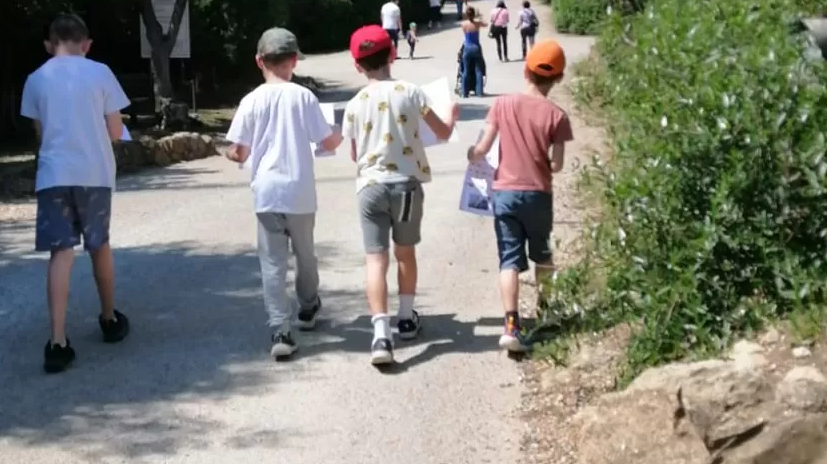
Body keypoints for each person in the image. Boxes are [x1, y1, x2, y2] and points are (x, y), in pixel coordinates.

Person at [20, 12, 132, 374]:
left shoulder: (36, 78)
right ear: (87, 44)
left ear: (49, 45)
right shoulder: (100, 72)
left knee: (61, 253)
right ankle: (109, 317)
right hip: (94, 174)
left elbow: (39, 134)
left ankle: (57, 341)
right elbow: (116, 132)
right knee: (99, 245)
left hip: (53, 175)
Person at [342, 26, 457, 368]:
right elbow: (442, 131)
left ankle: (381, 334)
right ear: (392, 54)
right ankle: (406, 318)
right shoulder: (413, 92)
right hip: (406, 186)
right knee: (404, 254)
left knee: (375, 260)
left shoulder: (354, 103)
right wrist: (452, 117)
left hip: (370, 188)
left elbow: (353, 153)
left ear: (356, 65)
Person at [225, 28, 342, 360]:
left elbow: (240, 152)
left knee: (272, 262)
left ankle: (280, 329)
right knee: (305, 254)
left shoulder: (250, 100)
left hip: (266, 191)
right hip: (300, 190)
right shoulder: (303, 96)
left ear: (258, 61)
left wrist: (229, 154)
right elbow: (327, 141)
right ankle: (308, 308)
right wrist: (338, 131)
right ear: (294, 60)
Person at [468, 39, 572, 357]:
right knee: (543, 256)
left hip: (505, 195)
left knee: (509, 260)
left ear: (526, 70)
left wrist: (472, 153)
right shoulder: (557, 116)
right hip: (538, 194)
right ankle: (546, 313)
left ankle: (511, 325)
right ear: (558, 78)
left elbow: (482, 149)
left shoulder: (502, 104)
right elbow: (556, 165)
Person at [460, 3, 486, 98]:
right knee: (478, 70)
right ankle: (479, 92)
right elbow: (486, 24)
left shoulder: (463, 25)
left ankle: (464, 92)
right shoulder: (477, 24)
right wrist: (479, 17)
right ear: (474, 14)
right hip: (476, 47)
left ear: (466, 14)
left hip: (467, 48)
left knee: (465, 71)